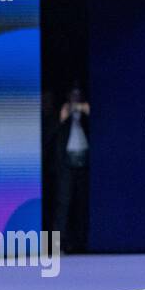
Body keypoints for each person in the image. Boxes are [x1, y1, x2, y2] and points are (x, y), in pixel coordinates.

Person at [51, 85, 90, 253]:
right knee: (62, 204)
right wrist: (61, 118)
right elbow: (49, 134)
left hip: (84, 162)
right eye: (72, 94)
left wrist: (82, 110)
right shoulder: (62, 113)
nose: (75, 97)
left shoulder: (85, 116)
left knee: (81, 205)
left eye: (78, 94)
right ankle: (55, 245)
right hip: (66, 164)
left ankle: (81, 244)